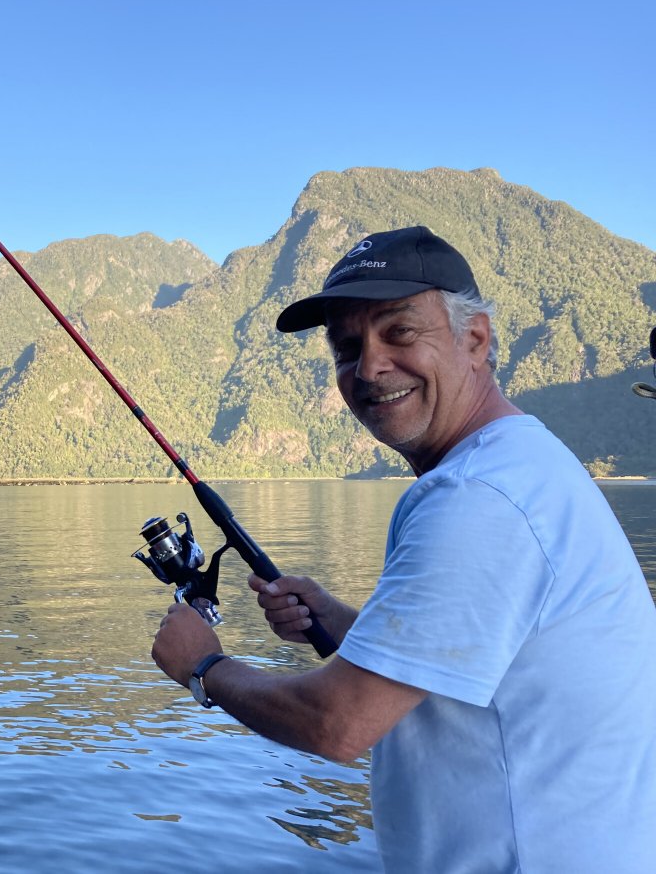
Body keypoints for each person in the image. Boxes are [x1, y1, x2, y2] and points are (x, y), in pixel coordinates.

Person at [151, 225, 656, 872]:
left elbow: (337, 725)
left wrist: (204, 669)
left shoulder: (477, 498)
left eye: (400, 332)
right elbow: (477, 681)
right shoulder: (520, 463)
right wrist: (340, 624)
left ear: (475, 340)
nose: (368, 366)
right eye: (346, 346)